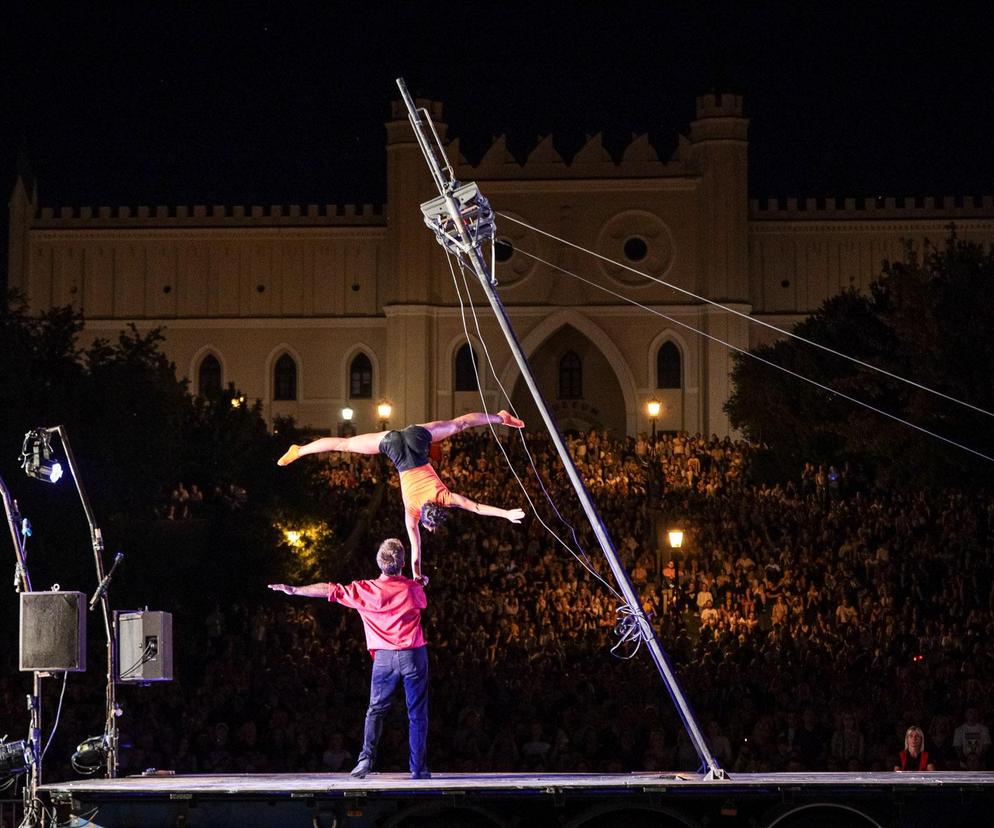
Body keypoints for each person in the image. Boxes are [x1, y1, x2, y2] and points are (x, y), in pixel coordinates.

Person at [277, 411, 526, 580]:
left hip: (416, 438)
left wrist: (507, 513)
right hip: (393, 445)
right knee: (345, 444)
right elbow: (415, 552)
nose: (428, 530)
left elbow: (477, 507)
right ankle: (300, 450)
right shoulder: (412, 513)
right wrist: (417, 578)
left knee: (460, 424)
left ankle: (499, 417)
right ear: (426, 520)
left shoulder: (445, 496)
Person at [268, 538, 431, 779]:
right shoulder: (412, 589)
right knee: (416, 713)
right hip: (413, 656)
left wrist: (295, 590)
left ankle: (365, 759)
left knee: (375, 710)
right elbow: (420, 597)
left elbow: (329, 590)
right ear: (403, 563)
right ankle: (417, 768)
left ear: (379, 562)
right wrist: (419, 581)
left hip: (384, 659)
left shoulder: (365, 590)